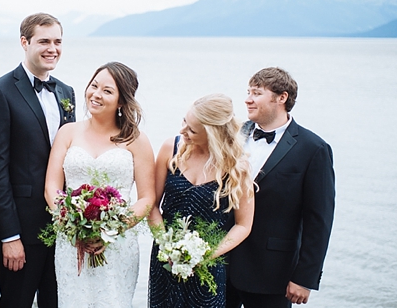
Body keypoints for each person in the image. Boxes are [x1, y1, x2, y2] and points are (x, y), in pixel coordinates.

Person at [0, 13, 76, 308]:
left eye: (58, 41)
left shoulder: (66, 92)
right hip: (22, 228)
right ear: (25, 42)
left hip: (63, 229)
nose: (52, 48)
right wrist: (9, 235)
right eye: (44, 41)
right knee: (15, 302)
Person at [45, 61, 156, 308]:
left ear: (121, 101)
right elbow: (52, 186)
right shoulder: (68, 132)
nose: (96, 94)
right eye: (94, 86)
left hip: (117, 245)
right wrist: (71, 223)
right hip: (71, 241)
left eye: (107, 91)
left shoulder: (136, 140)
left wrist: (111, 229)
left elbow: (147, 198)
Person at [227, 67, 335, 308]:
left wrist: (304, 278)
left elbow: (319, 219)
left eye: (256, 93)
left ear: (281, 98)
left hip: (273, 272)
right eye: (248, 92)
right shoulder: (234, 134)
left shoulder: (313, 149)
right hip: (223, 264)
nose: (248, 99)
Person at [148, 93, 255, 307]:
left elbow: (243, 225)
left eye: (192, 130)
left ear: (212, 134)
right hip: (166, 261)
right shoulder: (171, 149)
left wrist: (206, 255)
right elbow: (152, 205)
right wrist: (167, 246)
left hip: (208, 266)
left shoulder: (236, 167)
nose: (182, 131)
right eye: (184, 122)